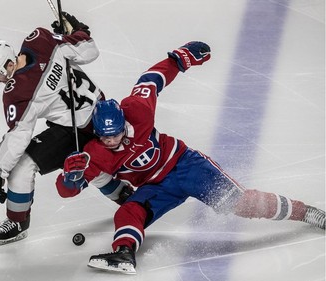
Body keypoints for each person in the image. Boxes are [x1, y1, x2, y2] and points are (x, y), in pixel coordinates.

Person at [55, 41, 325, 274]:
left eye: (115, 134)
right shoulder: (93, 152)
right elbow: (68, 191)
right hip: (155, 188)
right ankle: (124, 253)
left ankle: (307, 212)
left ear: (124, 121)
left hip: (186, 165)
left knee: (240, 203)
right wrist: (70, 177)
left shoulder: (136, 108)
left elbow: (150, 79)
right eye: (105, 137)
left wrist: (179, 58)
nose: (111, 141)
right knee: (128, 210)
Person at [0, 12, 106, 246]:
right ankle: (123, 194)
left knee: (22, 168)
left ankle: (17, 221)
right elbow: (88, 51)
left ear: (8, 62)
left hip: (77, 129)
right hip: (104, 114)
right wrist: (78, 33)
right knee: (93, 163)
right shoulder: (41, 40)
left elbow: (18, 138)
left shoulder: (18, 91)